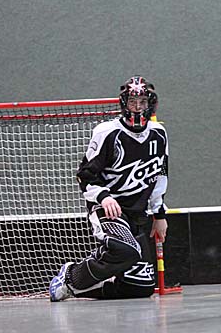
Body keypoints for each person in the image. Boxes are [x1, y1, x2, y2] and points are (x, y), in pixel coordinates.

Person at [49, 76, 170, 301]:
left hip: (137, 213)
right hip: (108, 210)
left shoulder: (159, 133)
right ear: (124, 104)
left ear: (151, 104)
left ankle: (84, 288)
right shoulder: (107, 132)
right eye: (132, 102)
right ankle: (70, 277)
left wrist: (159, 214)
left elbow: (160, 175)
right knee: (126, 250)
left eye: (142, 102)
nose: (137, 107)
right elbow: (85, 176)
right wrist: (104, 197)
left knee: (141, 288)